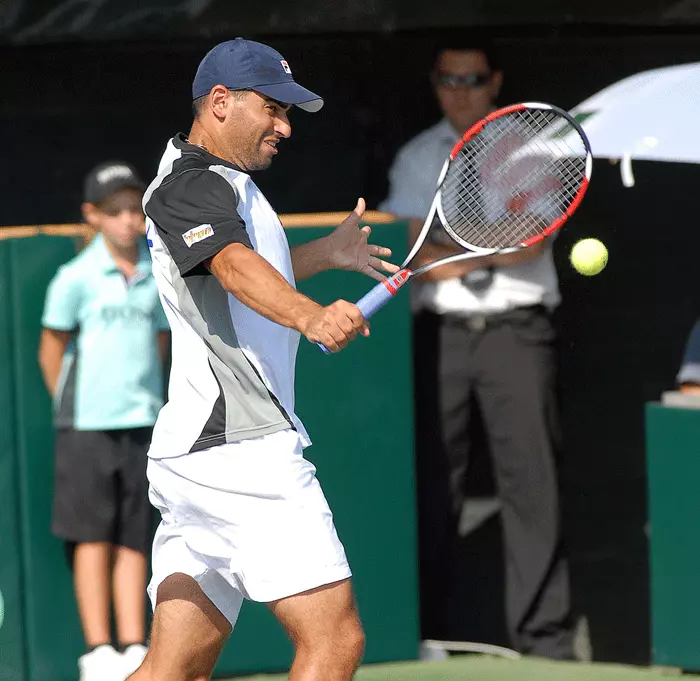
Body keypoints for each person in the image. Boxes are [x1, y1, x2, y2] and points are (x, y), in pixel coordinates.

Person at [129, 38, 399, 681]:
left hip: (200, 452)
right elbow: (231, 267)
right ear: (220, 102)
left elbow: (241, 271)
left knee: (173, 670)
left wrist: (323, 254)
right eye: (273, 109)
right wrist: (310, 315)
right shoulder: (190, 184)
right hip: (239, 450)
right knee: (335, 642)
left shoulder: (224, 185)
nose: (284, 127)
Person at [379, 40, 576, 658]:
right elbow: (406, 251)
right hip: (443, 336)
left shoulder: (534, 150)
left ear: (496, 82)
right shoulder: (416, 156)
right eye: (447, 78)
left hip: (517, 332)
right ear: (435, 85)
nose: (459, 89)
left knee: (532, 486)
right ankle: (430, 634)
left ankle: (546, 643)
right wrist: (486, 241)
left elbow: (532, 240)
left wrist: (448, 245)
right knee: (436, 487)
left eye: (471, 78)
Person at [38, 161, 170, 681]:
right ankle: (98, 653)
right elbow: (52, 350)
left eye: (135, 211)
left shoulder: (156, 274)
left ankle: (135, 647)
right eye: (114, 212)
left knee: (135, 536)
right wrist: (76, 408)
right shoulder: (74, 279)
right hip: (85, 428)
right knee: (91, 537)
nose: (127, 222)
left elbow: (160, 344)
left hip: (143, 422)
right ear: (91, 216)